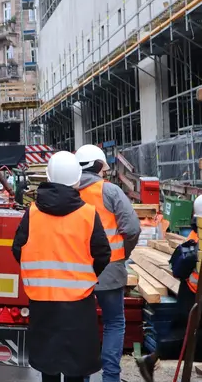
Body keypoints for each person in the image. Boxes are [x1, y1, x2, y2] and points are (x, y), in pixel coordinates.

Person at [12, 151, 112, 382]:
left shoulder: (33, 213)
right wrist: (85, 275)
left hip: (42, 301)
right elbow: (102, 254)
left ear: (48, 177)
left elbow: (18, 249)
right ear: (77, 180)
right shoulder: (88, 214)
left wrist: (38, 275)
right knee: (75, 367)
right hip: (78, 302)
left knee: (49, 366)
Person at [75, 144, 141, 382]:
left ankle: (80, 376)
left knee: (82, 325)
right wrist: (123, 252)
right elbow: (132, 229)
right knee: (114, 322)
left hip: (76, 271)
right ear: (98, 165)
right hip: (110, 269)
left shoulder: (70, 191)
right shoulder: (110, 191)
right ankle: (110, 378)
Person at [136, 196, 202, 382]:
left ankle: (151, 359)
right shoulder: (197, 243)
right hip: (194, 295)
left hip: (190, 292)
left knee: (186, 335)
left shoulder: (194, 237)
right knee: (188, 337)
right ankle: (151, 359)